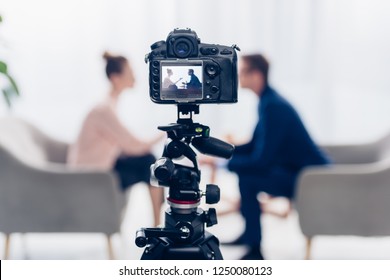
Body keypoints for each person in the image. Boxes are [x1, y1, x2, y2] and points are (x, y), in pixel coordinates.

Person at [202, 54, 330, 260]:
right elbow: (255, 145)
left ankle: (255, 248)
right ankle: (251, 238)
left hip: (308, 179)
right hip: (297, 172)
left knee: (249, 179)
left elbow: (262, 160)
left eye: (242, 72)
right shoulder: (268, 101)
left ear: (257, 75)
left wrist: (222, 163)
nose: (238, 77)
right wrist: (219, 151)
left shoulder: (273, 106)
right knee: (247, 178)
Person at [67, 51, 165, 227]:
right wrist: (167, 131)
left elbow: (127, 144)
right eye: (130, 72)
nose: (134, 76)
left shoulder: (109, 104)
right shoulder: (104, 109)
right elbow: (134, 146)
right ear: (115, 78)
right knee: (150, 162)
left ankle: (158, 223)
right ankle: (157, 226)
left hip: (103, 164)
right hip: (92, 174)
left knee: (150, 163)